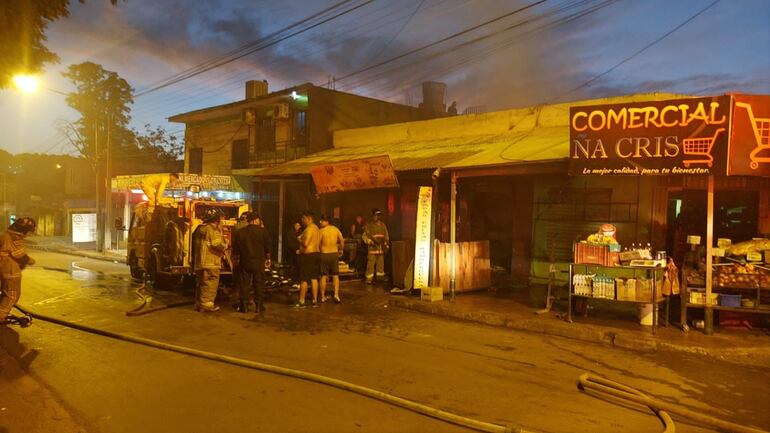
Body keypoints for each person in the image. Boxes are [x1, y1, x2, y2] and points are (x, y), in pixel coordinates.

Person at [232, 212, 272, 314]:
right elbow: (268, 247)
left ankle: (244, 306)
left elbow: (236, 248)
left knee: (244, 284)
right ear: (255, 220)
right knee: (258, 283)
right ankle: (258, 306)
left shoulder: (241, 232)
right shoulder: (263, 232)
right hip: (259, 261)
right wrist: (268, 258)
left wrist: (236, 258)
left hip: (245, 261)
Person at [0, 218, 36, 325]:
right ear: (23, 229)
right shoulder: (15, 237)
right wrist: (30, 261)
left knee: (5, 294)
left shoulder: (4, 234)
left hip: (3, 269)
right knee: (12, 296)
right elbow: (19, 255)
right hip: (9, 271)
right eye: (28, 231)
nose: (27, 234)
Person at [194, 208, 226, 312]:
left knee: (201, 283)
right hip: (211, 262)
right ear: (216, 219)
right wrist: (226, 245)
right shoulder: (212, 229)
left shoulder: (200, 228)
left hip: (200, 262)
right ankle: (207, 304)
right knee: (210, 283)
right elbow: (217, 244)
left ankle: (199, 303)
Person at [296, 212, 321, 307]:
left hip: (308, 256)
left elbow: (305, 243)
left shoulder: (309, 229)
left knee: (304, 279)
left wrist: (299, 239)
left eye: (303, 218)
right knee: (314, 278)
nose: (302, 221)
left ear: (308, 218)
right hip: (316, 254)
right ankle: (314, 299)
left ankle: (302, 300)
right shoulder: (316, 228)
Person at [318, 215, 344, 304]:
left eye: (322, 221)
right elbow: (341, 240)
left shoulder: (321, 231)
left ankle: (322, 296)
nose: (320, 222)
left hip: (324, 254)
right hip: (334, 254)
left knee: (323, 276)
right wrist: (341, 249)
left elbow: (318, 243)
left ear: (327, 221)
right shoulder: (335, 229)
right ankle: (336, 295)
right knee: (335, 275)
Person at [363, 209, 389, 284]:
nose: (377, 217)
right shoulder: (369, 226)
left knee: (380, 265)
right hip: (372, 248)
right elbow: (364, 236)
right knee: (370, 264)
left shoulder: (383, 225)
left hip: (381, 249)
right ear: (372, 216)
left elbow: (386, 235)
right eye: (375, 215)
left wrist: (386, 244)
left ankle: (380, 277)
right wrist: (369, 241)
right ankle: (369, 279)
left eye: (378, 215)